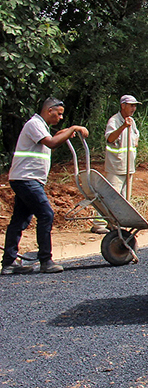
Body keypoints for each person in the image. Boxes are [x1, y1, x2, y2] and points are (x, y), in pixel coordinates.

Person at [3, 98, 90, 275]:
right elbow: (51, 143)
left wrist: (66, 132)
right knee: (46, 214)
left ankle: (9, 263)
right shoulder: (34, 124)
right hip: (26, 179)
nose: (60, 117)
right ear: (49, 110)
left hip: (26, 179)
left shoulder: (41, 126)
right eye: (58, 114)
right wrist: (72, 129)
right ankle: (45, 260)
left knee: (20, 220)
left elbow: (52, 140)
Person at [92, 95, 141, 234]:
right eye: (131, 105)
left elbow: (135, 140)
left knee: (125, 199)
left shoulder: (132, 121)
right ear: (123, 105)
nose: (133, 108)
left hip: (128, 166)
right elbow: (110, 137)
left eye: (134, 105)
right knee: (110, 195)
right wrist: (123, 127)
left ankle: (115, 223)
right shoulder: (114, 121)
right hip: (116, 166)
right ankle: (98, 224)